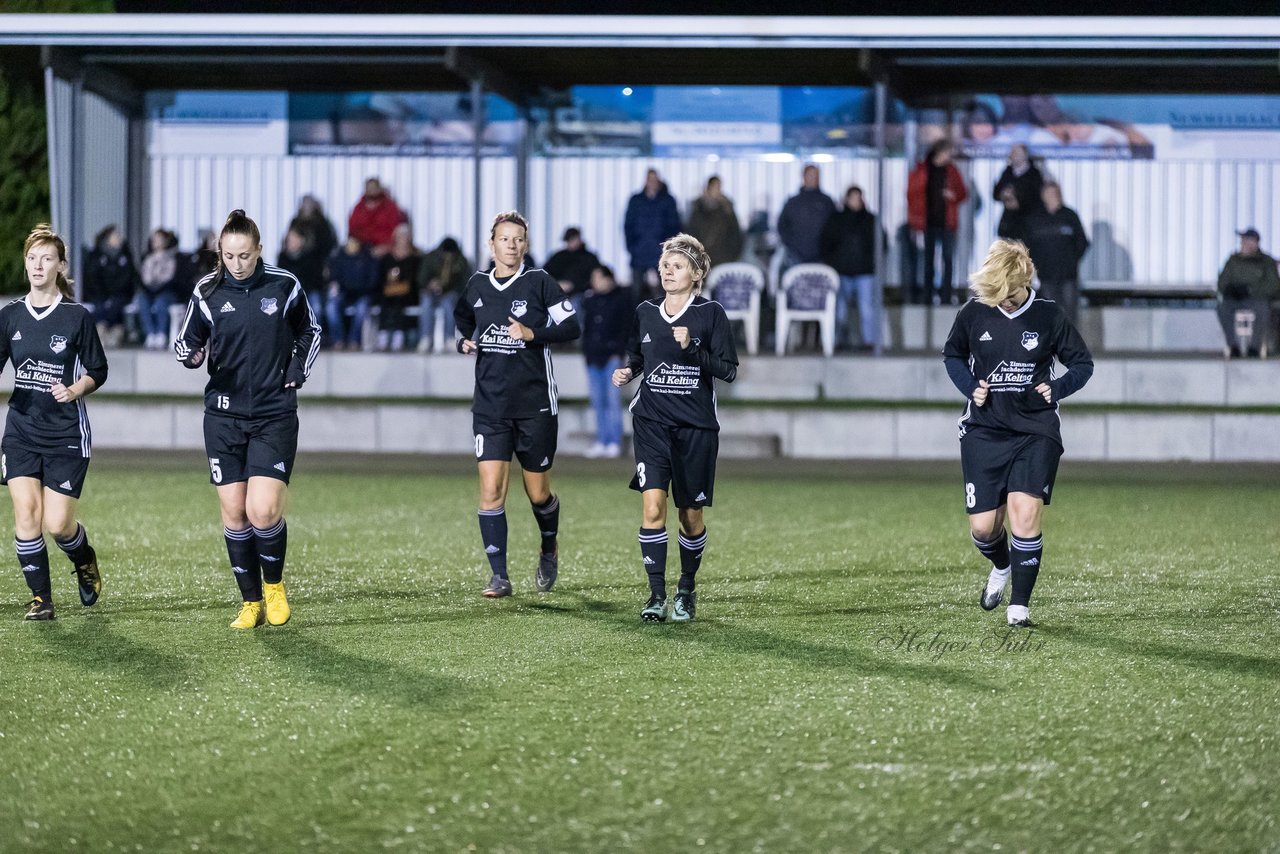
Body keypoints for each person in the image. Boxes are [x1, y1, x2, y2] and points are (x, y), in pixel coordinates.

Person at [174, 209, 321, 629]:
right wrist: (192, 355)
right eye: (229, 256)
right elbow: (185, 341)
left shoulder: (284, 284)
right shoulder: (207, 290)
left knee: (263, 510)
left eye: (245, 255)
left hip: (274, 414)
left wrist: (298, 368)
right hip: (223, 417)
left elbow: (311, 331)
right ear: (220, 252)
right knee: (234, 513)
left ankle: (273, 587)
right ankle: (250, 601)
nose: (237, 264)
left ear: (259, 250)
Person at [942, 239, 1093, 628]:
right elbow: (953, 354)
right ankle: (1002, 565)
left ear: (1024, 280)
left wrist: (1057, 388)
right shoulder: (975, 312)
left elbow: (1082, 364)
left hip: (1034, 430)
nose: (1003, 302)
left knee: (1025, 514)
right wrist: (969, 386)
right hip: (984, 429)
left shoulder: (1048, 315)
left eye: (1009, 295)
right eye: (996, 295)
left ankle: (1019, 608)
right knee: (983, 529)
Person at [453, 211, 581, 598]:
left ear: (525, 245)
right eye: (504, 238)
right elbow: (461, 318)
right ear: (491, 244)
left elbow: (572, 326)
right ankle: (499, 576)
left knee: (538, 493)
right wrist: (463, 340)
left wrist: (532, 332)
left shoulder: (539, 282)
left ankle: (548, 546)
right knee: (491, 490)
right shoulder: (477, 285)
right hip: (490, 407)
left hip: (535, 405)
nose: (511, 245)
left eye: (518, 239)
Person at [612, 233, 738, 623]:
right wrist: (629, 370)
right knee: (652, 507)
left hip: (696, 428)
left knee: (690, 515)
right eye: (665, 265)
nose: (668, 271)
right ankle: (656, 594)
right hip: (651, 422)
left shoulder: (711, 313)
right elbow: (638, 354)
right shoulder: (646, 311)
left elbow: (729, 370)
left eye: (677, 265)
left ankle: (686, 588)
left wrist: (694, 351)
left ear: (696, 273)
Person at [0, 225, 108, 620]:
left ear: (61, 265)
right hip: (21, 431)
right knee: (26, 514)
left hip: (65, 432)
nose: (38, 266)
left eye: (47, 259)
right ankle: (41, 599)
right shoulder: (10, 315)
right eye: (32, 258)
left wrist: (77, 388)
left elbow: (99, 368)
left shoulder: (76, 317)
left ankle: (84, 560)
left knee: (58, 523)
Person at [820, 186, 884, 351]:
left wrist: (872, 262)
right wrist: (832, 262)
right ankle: (834, 341)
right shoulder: (836, 220)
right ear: (846, 199)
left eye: (859, 197)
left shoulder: (870, 219)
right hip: (841, 271)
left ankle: (869, 342)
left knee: (867, 308)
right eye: (853, 197)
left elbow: (881, 244)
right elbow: (826, 243)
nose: (856, 201)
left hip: (865, 271)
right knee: (839, 308)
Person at [1016, 183, 1090, 324]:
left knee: (1070, 315)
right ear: (1043, 196)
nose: (1052, 197)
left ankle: (1069, 344)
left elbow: (1082, 242)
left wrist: (1071, 260)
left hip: (1068, 276)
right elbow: (1027, 245)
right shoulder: (1034, 219)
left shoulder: (1069, 216)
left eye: (1054, 193)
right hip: (1046, 276)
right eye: (1048, 193)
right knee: (1049, 314)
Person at [907, 140, 968, 304]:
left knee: (948, 260)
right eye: (948, 152)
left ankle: (946, 297)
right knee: (928, 262)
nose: (950, 156)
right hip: (927, 223)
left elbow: (963, 193)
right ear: (939, 152)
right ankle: (927, 297)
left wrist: (952, 195)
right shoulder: (922, 170)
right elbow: (912, 194)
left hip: (947, 223)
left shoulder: (952, 171)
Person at [581, 265, 631, 458]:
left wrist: (617, 352)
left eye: (597, 277)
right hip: (593, 356)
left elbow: (625, 328)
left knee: (612, 400)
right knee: (598, 401)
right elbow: (587, 329)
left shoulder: (621, 299)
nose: (594, 281)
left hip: (612, 357)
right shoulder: (591, 300)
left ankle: (614, 441)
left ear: (608, 278)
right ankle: (602, 440)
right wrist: (586, 352)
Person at [1217, 228, 1280, 357]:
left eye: (1247, 240)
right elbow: (1222, 281)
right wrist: (1230, 290)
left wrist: (1251, 291)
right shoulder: (1233, 260)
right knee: (1223, 308)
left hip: (1256, 298)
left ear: (1255, 243)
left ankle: (1254, 347)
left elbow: (1273, 285)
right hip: (1235, 299)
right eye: (1243, 241)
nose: (1243, 243)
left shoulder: (1266, 261)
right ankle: (1233, 346)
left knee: (1262, 309)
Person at [623, 169, 682, 301]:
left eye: (654, 179)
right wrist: (632, 247)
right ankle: (636, 319)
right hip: (639, 252)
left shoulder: (668, 200)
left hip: (661, 253)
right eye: (650, 179)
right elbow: (628, 225)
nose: (652, 183)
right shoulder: (636, 200)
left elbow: (675, 226)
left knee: (666, 290)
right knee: (635, 292)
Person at [83, 224, 140, 347]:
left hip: (120, 294)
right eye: (115, 236)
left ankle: (111, 332)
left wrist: (115, 293)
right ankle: (102, 332)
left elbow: (129, 277)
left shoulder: (126, 255)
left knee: (116, 305)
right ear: (107, 239)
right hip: (99, 294)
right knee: (99, 306)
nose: (119, 238)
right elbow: (92, 278)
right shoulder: (97, 255)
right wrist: (104, 294)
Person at [415, 237, 470, 353]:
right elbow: (421, 278)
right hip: (430, 292)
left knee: (449, 306)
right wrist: (430, 284)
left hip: (449, 293)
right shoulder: (430, 258)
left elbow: (466, 283)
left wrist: (450, 287)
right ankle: (426, 338)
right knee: (426, 304)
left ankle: (449, 338)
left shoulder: (461, 261)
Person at [777, 164, 836, 271]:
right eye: (810, 175)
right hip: (796, 256)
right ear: (803, 176)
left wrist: (827, 248)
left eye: (815, 175)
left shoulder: (827, 202)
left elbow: (835, 227)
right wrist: (791, 245)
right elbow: (782, 226)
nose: (812, 178)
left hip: (821, 257)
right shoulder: (793, 202)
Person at [325, 236, 380, 350]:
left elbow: (372, 281)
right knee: (331, 306)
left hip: (363, 293)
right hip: (344, 293)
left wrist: (356, 286)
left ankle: (354, 340)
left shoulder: (367, 258)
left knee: (361, 308)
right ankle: (338, 339)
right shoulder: (339, 258)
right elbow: (334, 277)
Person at [376, 223, 421, 352]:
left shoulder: (414, 258)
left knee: (399, 300)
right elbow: (382, 276)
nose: (403, 239)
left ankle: (398, 333)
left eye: (405, 236)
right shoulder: (387, 258)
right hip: (389, 291)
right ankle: (383, 332)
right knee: (385, 300)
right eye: (400, 236)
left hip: (408, 292)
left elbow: (414, 279)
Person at [278, 227, 328, 341]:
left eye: (294, 239)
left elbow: (316, 279)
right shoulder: (283, 257)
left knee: (317, 308)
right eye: (289, 240)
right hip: (290, 291)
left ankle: (315, 337)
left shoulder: (311, 256)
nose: (290, 242)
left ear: (302, 240)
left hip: (309, 290)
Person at [686, 176, 744, 270]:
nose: (717, 191)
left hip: (722, 258)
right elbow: (691, 233)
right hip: (701, 258)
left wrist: (731, 256)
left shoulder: (727, 210)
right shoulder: (698, 209)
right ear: (708, 188)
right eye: (715, 187)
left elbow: (735, 235)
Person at [138, 228, 181, 350]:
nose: (155, 242)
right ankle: (150, 333)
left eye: (158, 239)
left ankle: (161, 333)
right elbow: (144, 276)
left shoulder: (171, 257)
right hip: (149, 290)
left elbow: (169, 276)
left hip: (166, 291)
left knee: (161, 302)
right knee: (142, 300)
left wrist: (156, 286)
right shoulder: (147, 257)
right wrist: (149, 286)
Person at [543, 227, 601, 312]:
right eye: (568, 240)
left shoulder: (589, 258)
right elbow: (545, 274)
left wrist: (573, 286)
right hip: (557, 294)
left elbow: (594, 280)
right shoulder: (558, 257)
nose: (570, 243)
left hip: (581, 294)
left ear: (579, 239)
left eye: (573, 239)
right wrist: (557, 284)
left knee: (574, 305)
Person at [347, 177, 407, 255]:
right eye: (369, 188)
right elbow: (352, 228)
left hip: (384, 247)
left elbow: (395, 230)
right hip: (362, 247)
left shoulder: (390, 207)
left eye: (374, 188)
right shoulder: (358, 208)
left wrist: (387, 246)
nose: (371, 190)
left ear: (379, 189)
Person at [991, 144, 1045, 218]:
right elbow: (996, 194)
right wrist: (1003, 194)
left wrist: (1018, 199)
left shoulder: (1035, 174)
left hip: (1029, 218)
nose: (1013, 155)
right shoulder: (1007, 172)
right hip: (1009, 219)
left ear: (1025, 155)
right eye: (1012, 152)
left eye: (1017, 152)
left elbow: (1037, 197)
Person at [287, 194, 338, 266]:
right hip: (297, 259)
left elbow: (329, 244)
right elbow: (288, 241)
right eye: (304, 204)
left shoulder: (322, 223)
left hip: (317, 260)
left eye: (309, 205)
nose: (306, 207)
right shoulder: (296, 221)